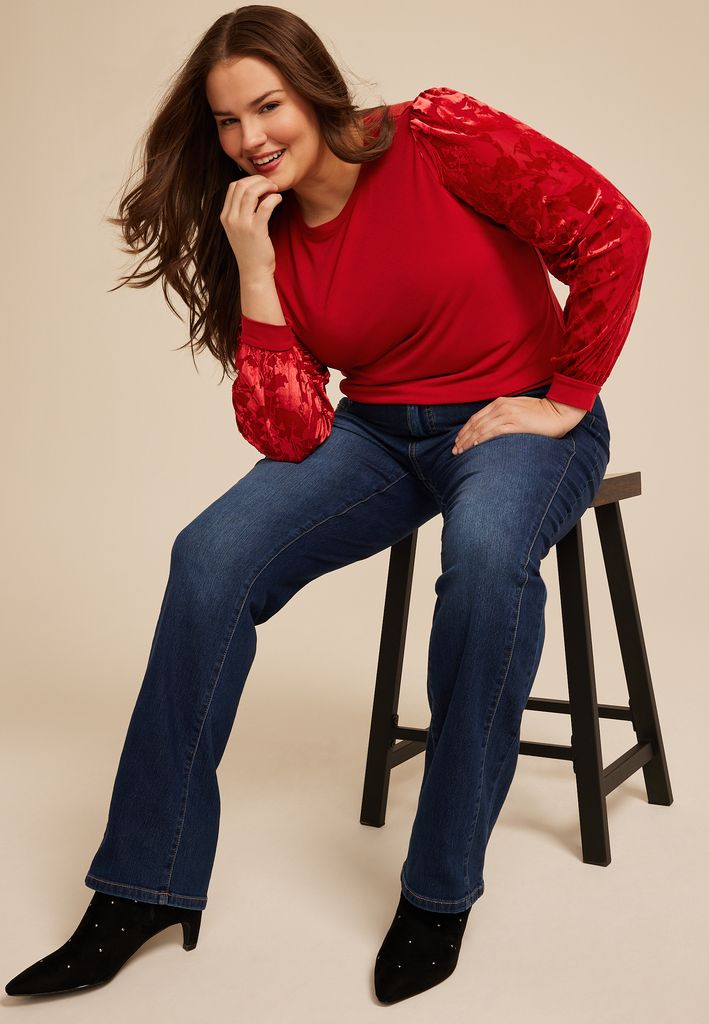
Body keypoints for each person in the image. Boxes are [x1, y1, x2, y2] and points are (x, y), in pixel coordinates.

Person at [5, 3, 651, 1007]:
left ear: (314, 89)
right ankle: (142, 884)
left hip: (512, 422)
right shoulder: (255, 224)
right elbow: (292, 432)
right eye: (227, 121)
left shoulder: (438, 136)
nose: (250, 137)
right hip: (376, 436)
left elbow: (611, 230)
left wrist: (563, 399)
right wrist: (256, 270)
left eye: (267, 106)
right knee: (209, 555)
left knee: (486, 558)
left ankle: (439, 890)